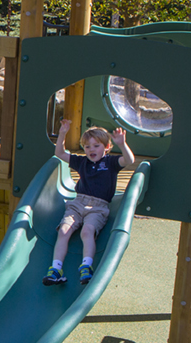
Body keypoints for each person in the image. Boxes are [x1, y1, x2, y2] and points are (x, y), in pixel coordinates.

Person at [43, 121, 135, 286]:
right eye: (87, 147)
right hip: (78, 203)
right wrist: (63, 133)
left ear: (106, 147)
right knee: (63, 230)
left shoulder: (111, 163)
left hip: (98, 207)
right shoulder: (81, 162)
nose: (91, 149)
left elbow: (129, 160)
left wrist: (122, 144)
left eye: (96, 146)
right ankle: (56, 269)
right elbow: (60, 153)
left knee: (87, 231)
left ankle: (86, 266)